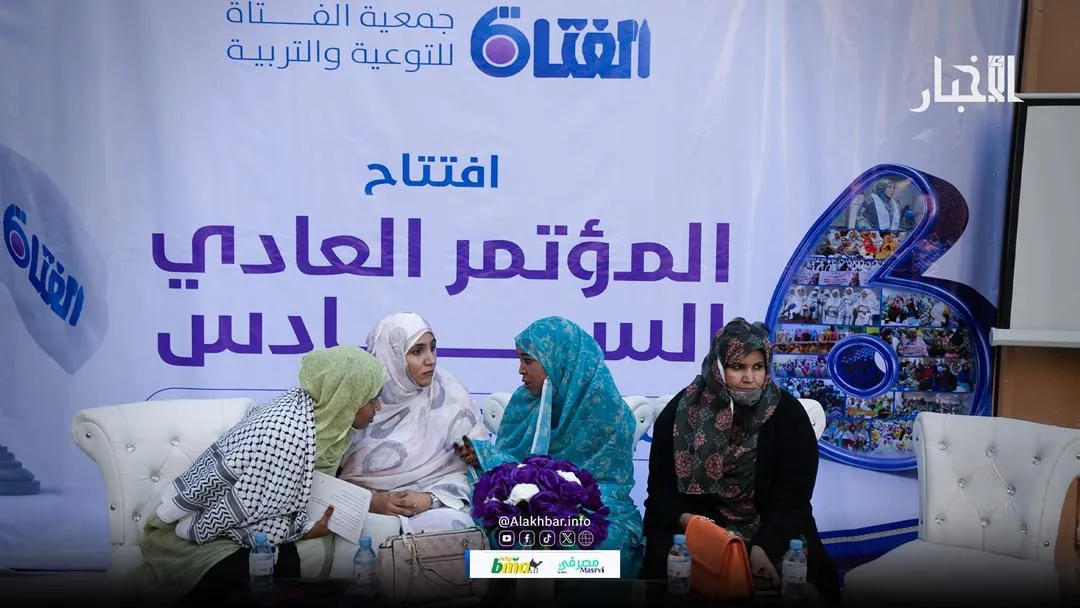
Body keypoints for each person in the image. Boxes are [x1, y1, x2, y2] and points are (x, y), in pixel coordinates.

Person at [129, 345, 387, 603]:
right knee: (259, 570)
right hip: (208, 524)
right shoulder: (290, 437)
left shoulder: (322, 420)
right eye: (371, 398)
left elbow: (301, 489)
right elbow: (250, 510)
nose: (378, 406)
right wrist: (306, 531)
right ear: (345, 397)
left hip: (248, 517)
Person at [640, 318, 840, 603]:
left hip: (771, 530)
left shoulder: (788, 415)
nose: (749, 378)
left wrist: (763, 548)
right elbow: (661, 495)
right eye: (738, 367)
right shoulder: (680, 413)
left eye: (757, 367)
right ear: (718, 367)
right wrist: (698, 528)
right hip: (699, 530)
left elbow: (793, 500)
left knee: (798, 585)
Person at [455, 316, 645, 577]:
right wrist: (483, 456)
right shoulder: (523, 402)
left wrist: (562, 497)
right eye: (520, 360)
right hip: (528, 505)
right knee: (507, 533)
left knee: (598, 546)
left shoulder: (608, 410)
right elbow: (511, 466)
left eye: (528, 361)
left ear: (558, 361)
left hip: (597, 508)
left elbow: (610, 485)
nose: (520, 370)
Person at [338, 312, 488, 534]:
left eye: (432, 348)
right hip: (366, 513)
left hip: (436, 507)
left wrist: (432, 499)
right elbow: (325, 480)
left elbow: (480, 469)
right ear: (391, 357)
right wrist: (371, 502)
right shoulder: (357, 399)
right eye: (417, 351)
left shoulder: (449, 392)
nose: (431, 359)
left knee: (456, 526)